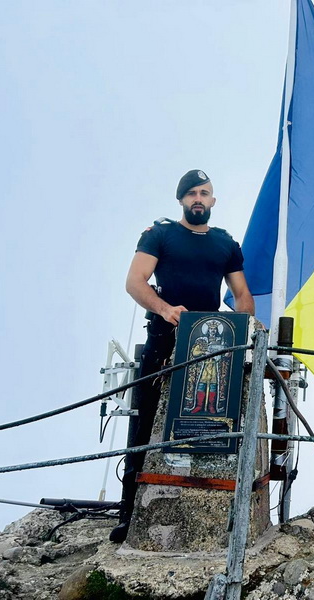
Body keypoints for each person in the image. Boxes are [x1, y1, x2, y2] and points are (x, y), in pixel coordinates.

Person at [110, 169, 255, 543]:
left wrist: (244, 329)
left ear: (213, 201)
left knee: (213, 420)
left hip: (210, 344)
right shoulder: (159, 235)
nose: (198, 199)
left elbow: (241, 294)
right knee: (144, 424)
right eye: (192, 193)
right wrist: (164, 308)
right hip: (164, 336)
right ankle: (128, 513)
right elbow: (135, 281)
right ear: (181, 200)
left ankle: (217, 514)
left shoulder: (225, 244)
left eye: (205, 193)